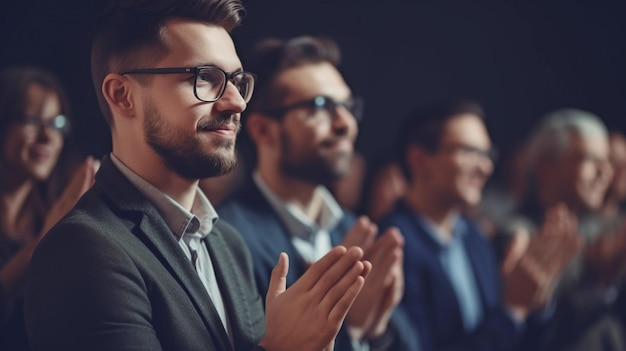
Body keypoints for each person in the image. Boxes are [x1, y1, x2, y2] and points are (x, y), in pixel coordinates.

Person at [23, 2, 372, 351]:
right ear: (122, 95)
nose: (236, 103)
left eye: (237, 81)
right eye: (204, 78)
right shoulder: (83, 249)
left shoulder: (229, 243)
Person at [217, 36, 419, 350]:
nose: (346, 123)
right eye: (320, 106)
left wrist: (378, 330)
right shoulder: (228, 238)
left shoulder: (354, 229)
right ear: (262, 130)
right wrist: (351, 330)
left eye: (348, 106)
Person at [378, 98, 581, 351]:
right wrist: (512, 310)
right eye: (469, 152)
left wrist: (534, 300)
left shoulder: (474, 237)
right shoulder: (390, 246)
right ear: (419, 160)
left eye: (487, 154)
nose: (485, 167)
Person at [499, 109, 626, 351]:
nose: (604, 173)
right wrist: (600, 283)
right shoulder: (518, 235)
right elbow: (539, 333)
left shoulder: (600, 231)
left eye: (606, 161)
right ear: (546, 167)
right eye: (589, 159)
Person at [0, 66, 98, 351]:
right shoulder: (55, 218)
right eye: (32, 120)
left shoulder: (49, 210)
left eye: (56, 123)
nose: (48, 136)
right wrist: (49, 235)